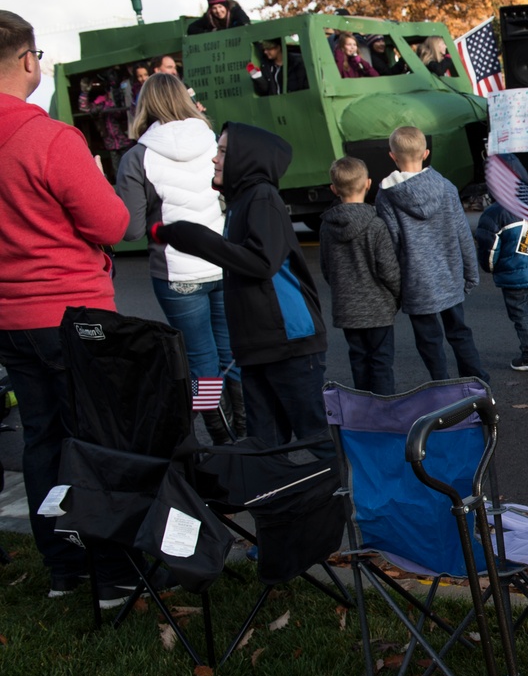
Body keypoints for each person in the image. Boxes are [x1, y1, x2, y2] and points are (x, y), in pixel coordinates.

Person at [0, 10, 145, 606]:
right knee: (95, 439)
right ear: (29, 60)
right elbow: (114, 222)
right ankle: (112, 572)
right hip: (71, 313)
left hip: (10, 318)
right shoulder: (52, 137)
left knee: (41, 442)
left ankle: (63, 567)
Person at [152, 123, 332, 455]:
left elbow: (261, 263)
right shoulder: (241, 201)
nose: (215, 159)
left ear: (245, 158)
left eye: (222, 151)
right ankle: (274, 504)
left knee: (317, 436)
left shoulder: (262, 197)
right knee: (264, 445)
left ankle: (355, 502)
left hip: (289, 343)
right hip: (259, 345)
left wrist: (194, 238)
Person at [115, 73, 243, 444]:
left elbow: (131, 230)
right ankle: (250, 439)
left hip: (177, 272)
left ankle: (222, 443)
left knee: (202, 366)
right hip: (224, 261)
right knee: (233, 355)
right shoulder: (215, 142)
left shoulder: (137, 157)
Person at [375, 126, 489, 383]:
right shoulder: (447, 188)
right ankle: (477, 383)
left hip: (416, 284)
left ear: (392, 156)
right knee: (460, 333)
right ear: (426, 153)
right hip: (449, 277)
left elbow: (391, 245)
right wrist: (470, 274)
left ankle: (441, 385)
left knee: (429, 341)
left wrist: (394, 289)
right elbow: (462, 235)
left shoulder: (387, 196)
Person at [320, 157, 400, 395]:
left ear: (334, 189)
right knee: (381, 362)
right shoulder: (375, 225)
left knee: (359, 360)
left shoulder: (327, 226)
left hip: (347, 308)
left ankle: (364, 412)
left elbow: (327, 268)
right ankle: (385, 411)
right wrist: (397, 294)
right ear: (368, 184)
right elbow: (389, 269)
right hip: (379, 309)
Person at [474, 155, 528, 372]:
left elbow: (488, 249)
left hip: (512, 276)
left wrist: (491, 268)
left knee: (520, 315)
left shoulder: (494, 214)